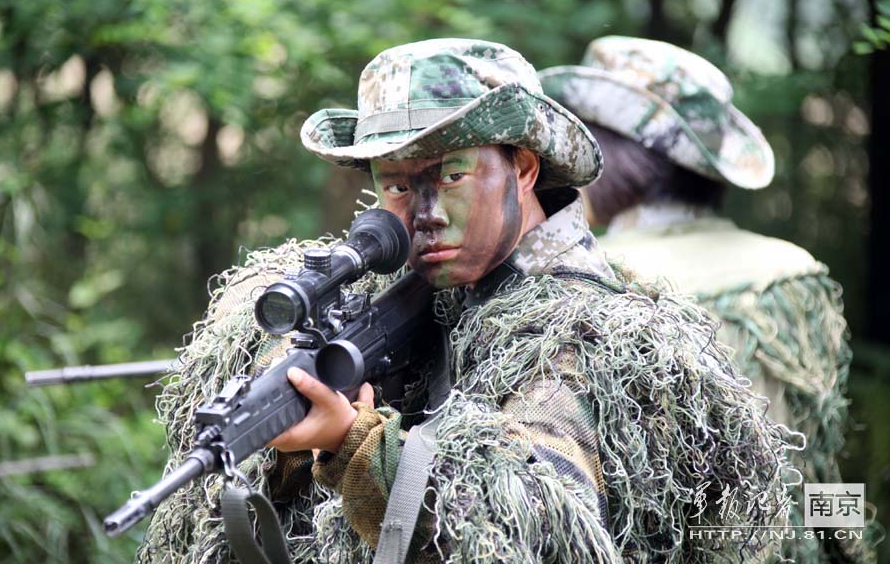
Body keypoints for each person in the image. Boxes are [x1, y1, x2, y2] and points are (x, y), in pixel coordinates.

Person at [138, 39, 798, 564]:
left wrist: (360, 450)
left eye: (452, 175)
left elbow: (532, 533)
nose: (422, 214)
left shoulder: (582, 333)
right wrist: (289, 446)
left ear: (524, 168)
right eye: (395, 184)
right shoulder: (423, 297)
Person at [540, 35, 871, 562]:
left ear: (613, 159)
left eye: (577, 149)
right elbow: (824, 459)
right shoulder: (797, 269)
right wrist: (853, 551)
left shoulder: (594, 280)